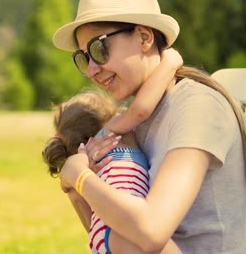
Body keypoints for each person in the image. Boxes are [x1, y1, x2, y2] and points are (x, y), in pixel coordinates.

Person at [51, 0, 246, 253]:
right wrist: (77, 194)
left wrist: (80, 178)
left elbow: (151, 232)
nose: (91, 69)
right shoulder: (134, 119)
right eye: (83, 58)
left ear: (144, 37)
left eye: (98, 49)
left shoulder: (196, 107)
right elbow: (111, 238)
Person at [43, 50, 183, 254]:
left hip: (103, 232)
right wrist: (170, 63)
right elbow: (141, 109)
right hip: (122, 228)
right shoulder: (110, 130)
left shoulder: (95, 160)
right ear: (106, 113)